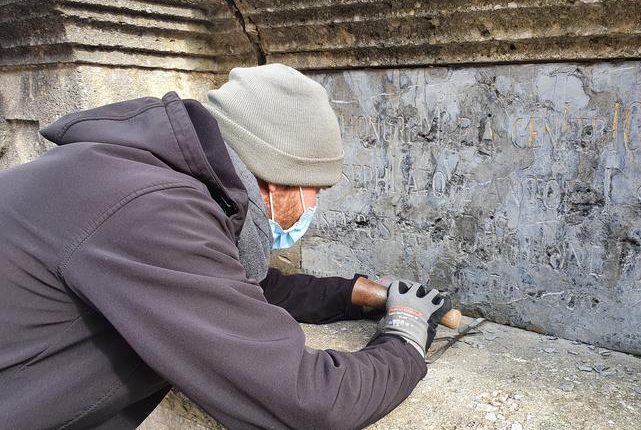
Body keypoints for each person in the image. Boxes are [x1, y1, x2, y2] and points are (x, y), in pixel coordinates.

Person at [0, 64, 452, 429]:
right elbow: (307, 402)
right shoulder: (152, 212)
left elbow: (227, 284)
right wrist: (405, 337)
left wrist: (355, 293)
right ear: (278, 180)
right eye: (318, 189)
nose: (315, 205)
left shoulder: (127, 173)